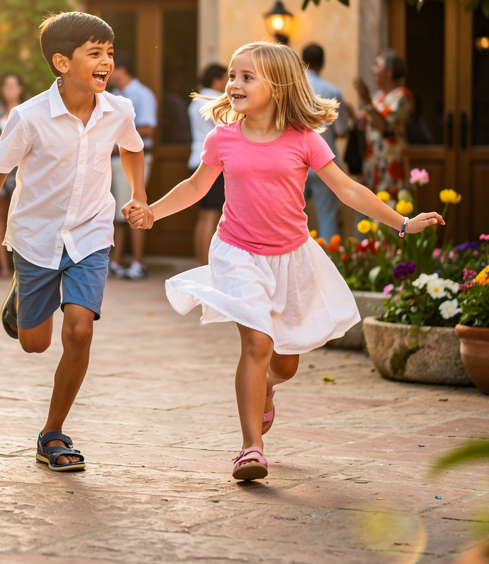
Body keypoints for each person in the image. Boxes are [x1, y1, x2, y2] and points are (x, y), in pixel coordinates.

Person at [128, 41, 443, 482]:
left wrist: (402, 223)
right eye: (233, 76)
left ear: (278, 86)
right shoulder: (224, 138)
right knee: (256, 345)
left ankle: (267, 389)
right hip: (237, 253)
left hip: (292, 257)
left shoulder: (304, 141)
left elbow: (348, 190)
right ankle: (250, 447)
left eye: (246, 77)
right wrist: (153, 212)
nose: (233, 84)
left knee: (285, 364)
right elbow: (197, 187)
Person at [0, 11, 151, 473]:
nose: (106, 62)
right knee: (34, 345)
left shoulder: (119, 110)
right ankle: (21, 301)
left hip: (91, 233)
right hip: (36, 237)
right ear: (62, 62)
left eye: (108, 52)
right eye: (94, 53)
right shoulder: (29, 117)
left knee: (80, 329)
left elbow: (134, 149)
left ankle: (53, 433)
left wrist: (139, 196)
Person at [106, 57, 157, 280]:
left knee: (135, 211)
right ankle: (116, 262)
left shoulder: (142, 94)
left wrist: (118, 137)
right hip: (112, 162)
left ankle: (138, 263)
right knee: (117, 214)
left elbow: (148, 128)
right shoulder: (113, 94)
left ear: (122, 68)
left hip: (132, 159)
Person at [0, 72, 30, 277]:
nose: (9, 89)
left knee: (23, 216)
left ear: (20, 88)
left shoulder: (28, 110)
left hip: (23, 170)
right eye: (6, 85)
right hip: (1, 168)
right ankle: (2, 267)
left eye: (13, 85)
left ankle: (22, 266)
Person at [302, 43, 349, 241]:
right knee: (327, 217)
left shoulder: (290, 90)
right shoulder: (333, 91)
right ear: (323, 63)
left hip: (295, 161)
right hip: (324, 161)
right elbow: (342, 131)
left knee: (286, 218)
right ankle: (332, 263)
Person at [352, 49, 413, 197]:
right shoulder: (378, 96)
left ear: (389, 72)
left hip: (390, 165)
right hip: (371, 163)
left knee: (389, 212)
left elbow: (384, 128)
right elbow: (367, 124)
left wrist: (366, 99)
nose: (373, 69)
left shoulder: (402, 96)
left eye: (377, 65)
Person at [188, 63, 228, 266]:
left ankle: (200, 263)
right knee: (212, 215)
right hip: (212, 162)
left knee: (204, 215)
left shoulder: (196, 100)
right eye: (226, 78)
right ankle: (205, 264)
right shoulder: (216, 99)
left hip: (196, 158)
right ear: (216, 80)